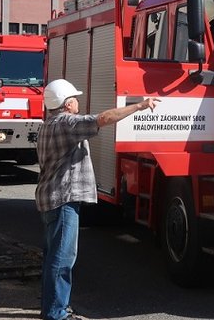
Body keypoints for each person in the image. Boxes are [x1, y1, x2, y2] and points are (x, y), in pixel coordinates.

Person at [36, 79, 158, 320]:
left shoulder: (46, 125)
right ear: (67, 103)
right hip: (63, 200)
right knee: (62, 259)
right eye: (75, 99)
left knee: (52, 257)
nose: (78, 102)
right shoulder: (67, 124)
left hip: (49, 199)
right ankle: (55, 314)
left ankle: (52, 306)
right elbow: (103, 119)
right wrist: (139, 106)